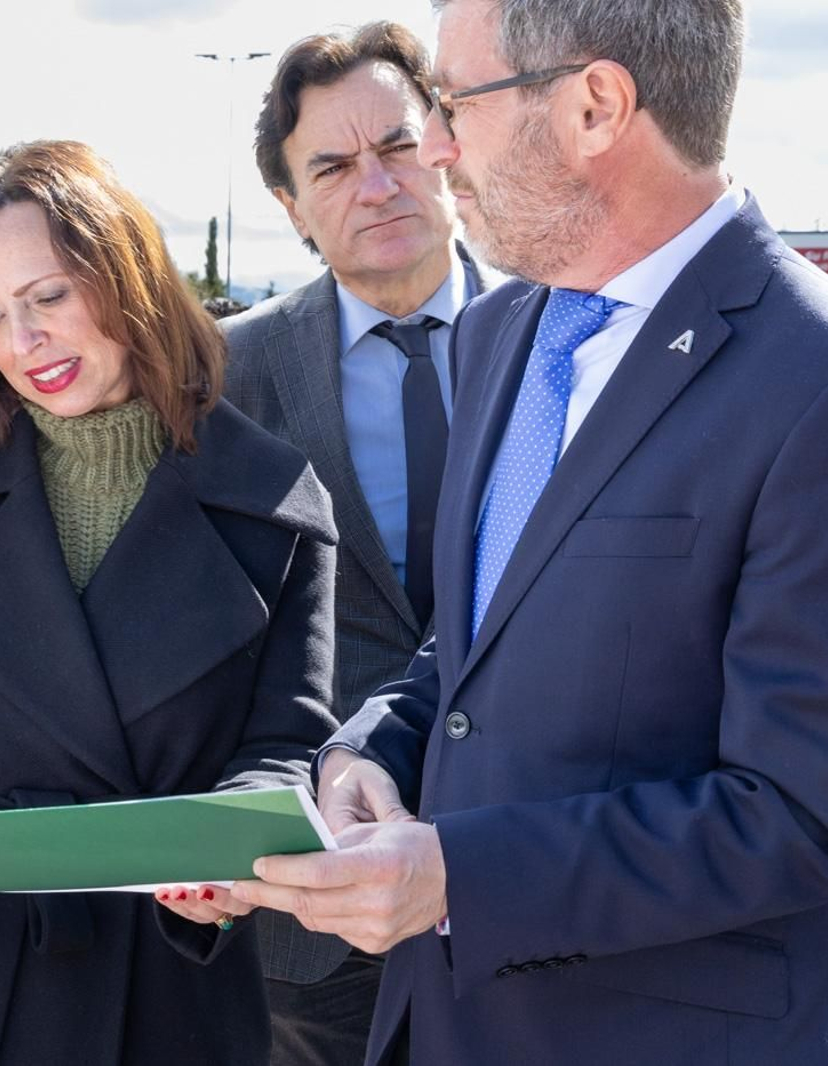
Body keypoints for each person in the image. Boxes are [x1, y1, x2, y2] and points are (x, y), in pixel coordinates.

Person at [232, 1, 828, 1063]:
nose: (433, 148)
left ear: (595, 108)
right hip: (441, 1024)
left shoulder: (817, 383)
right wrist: (373, 745)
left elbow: (801, 814)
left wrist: (458, 875)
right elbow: (472, 641)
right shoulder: (503, 329)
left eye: (453, 103)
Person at [0, 140, 339, 1065]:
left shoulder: (273, 499)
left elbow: (286, 740)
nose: (22, 344)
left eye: (48, 299)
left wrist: (225, 843)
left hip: (161, 983)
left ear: (128, 281)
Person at [220, 23, 490, 1064]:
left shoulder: (565, 337)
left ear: (448, 149)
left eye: (396, 147)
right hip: (315, 916)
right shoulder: (232, 376)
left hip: (527, 883)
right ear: (290, 207)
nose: (374, 186)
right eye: (331, 166)